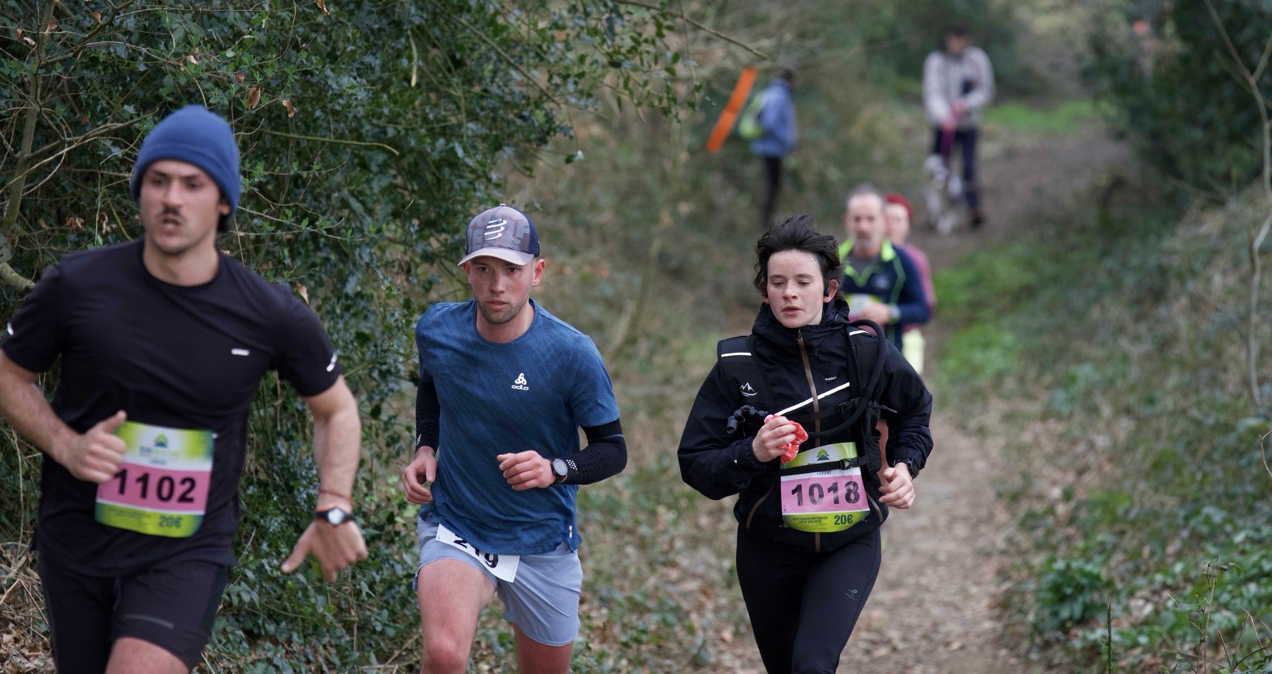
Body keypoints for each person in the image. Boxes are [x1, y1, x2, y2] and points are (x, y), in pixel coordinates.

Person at [0, 105, 367, 674]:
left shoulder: (267, 312)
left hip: (186, 552)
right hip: (76, 541)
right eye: (158, 180)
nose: (172, 198)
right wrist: (66, 445)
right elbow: (9, 374)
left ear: (223, 201)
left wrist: (335, 504)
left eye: (192, 184)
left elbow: (335, 410)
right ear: (139, 192)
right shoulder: (77, 285)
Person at [677, 215, 932, 674]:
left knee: (813, 665)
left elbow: (915, 409)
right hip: (767, 548)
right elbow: (696, 463)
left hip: (849, 540)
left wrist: (905, 464)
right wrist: (752, 452)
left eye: (802, 282)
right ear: (764, 290)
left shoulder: (866, 351)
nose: (789, 293)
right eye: (777, 283)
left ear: (829, 290)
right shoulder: (737, 366)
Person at [400, 204, 627, 674]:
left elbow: (613, 450)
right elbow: (431, 386)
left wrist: (554, 469)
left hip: (541, 540)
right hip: (459, 524)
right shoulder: (438, 330)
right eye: (484, 269)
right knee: (443, 655)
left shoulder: (572, 354)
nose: (497, 285)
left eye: (511, 270)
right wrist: (425, 446)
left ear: (537, 272)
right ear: (467, 272)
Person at [838, 185, 931, 354]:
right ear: (846, 220)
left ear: (883, 221)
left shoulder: (900, 260)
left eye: (870, 219)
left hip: (888, 358)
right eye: (857, 219)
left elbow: (923, 310)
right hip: (840, 357)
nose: (863, 227)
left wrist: (890, 312)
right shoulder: (831, 261)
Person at [922, 22, 994, 228]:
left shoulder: (977, 60)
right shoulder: (936, 61)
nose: (955, 44)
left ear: (966, 40)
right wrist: (944, 116)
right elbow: (932, 92)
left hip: (968, 125)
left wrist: (965, 104)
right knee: (938, 168)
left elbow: (985, 90)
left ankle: (973, 206)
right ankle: (936, 212)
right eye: (952, 39)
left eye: (959, 40)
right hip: (943, 127)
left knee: (969, 166)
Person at [883, 193, 936, 375]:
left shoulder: (916, 259)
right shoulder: (859, 258)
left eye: (898, 220)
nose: (891, 226)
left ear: (908, 225)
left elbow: (927, 307)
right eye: (887, 219)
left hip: (906, 337)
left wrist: (891, 313)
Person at [751, 67, 798, 229]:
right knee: (773, 185)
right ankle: (765, 222)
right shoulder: (780, 96)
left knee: (771, 184)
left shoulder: (769, 93)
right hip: (773, 149)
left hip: (766, 147)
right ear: (790, 80)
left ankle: (765, 220)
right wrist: (787, 140)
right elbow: (769, 123)